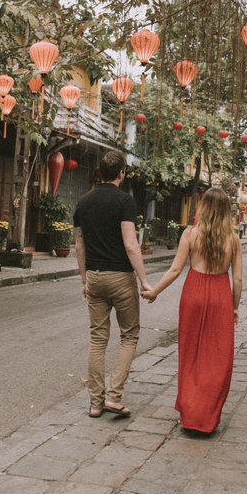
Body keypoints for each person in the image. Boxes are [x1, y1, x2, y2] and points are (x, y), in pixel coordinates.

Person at [141, 187, 243, 433]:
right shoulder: (233, 238)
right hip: (220, 296)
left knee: (191, 354)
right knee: (218, 357)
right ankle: (208, 416)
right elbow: (237, 279)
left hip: (194, 293)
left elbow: (175, 270)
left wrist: (155, 291)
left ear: (203, 207)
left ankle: (189, 413)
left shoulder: (190, 233)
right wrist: (235, 307)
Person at [73, 150, 151, 419]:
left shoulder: (82, 202)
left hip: (93, 276)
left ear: (99, 172)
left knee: (97, 339)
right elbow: (131, 244)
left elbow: (79, 245)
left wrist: (85, 280)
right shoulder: (124, 201)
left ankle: (96, 403)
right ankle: (114, 396)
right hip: (120, 278)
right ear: (121, 173)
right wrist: (144, 280)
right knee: (129, 335)